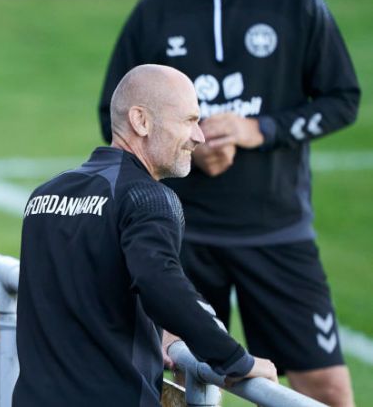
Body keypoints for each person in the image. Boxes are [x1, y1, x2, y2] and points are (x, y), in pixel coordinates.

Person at [97, 0, 361, 405]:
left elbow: (342, 99)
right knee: (172, 382)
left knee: (327, 391)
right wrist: (186, 148)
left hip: (277, 233)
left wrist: (260, 129)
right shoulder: (155, 11)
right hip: (183, 236)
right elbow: (113, 117)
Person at [14, 65, 277, 406]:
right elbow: (161, 284)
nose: (199, 137)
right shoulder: (147, 198)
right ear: (141, 121)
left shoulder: (45, 195)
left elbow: (88, 291)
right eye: (189, 121)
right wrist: (236, 360)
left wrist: (158, 332)